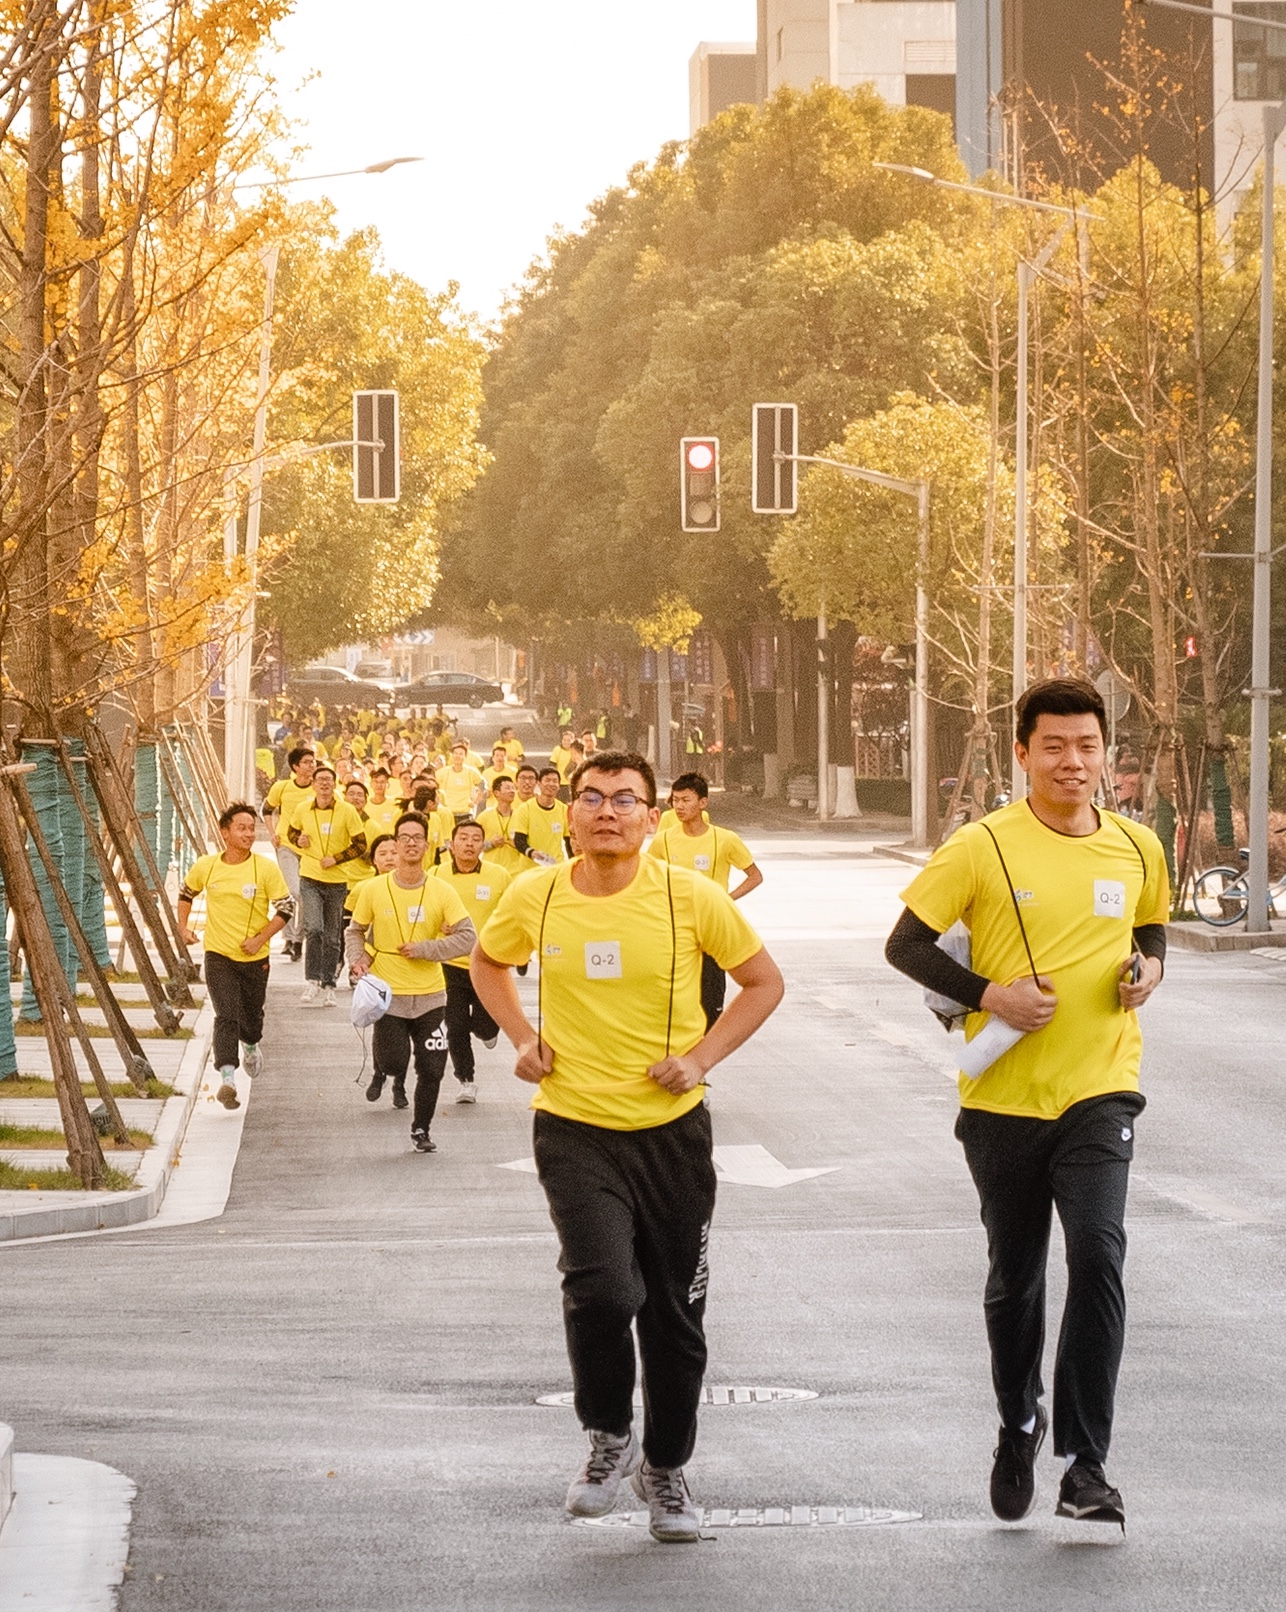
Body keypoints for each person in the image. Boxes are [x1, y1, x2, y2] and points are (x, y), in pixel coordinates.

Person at [472, 752, 784, 1542]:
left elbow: (762, 982)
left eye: (624, 800)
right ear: (567, 813)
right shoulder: (534, 896)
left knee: (676, 1316)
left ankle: (667, 1468)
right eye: (590, 799)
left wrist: (700, 1059)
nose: (606, 812)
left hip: (671, 1135)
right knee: (605, 1290)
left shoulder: (690, 897)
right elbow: (487, 959)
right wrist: (521, 1035)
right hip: (574, 1127)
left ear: (651, 817)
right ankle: (608, 1435)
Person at [884, 678, 1169, 1531]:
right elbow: (904, 945)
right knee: (1017, 1279)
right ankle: (1018, 1419)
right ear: (1023, 752)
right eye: (1054, 746)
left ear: (1104, 753)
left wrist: (1147, 971)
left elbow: (1149, 933)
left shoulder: (1136, 847)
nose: (1072, 762)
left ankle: (1086, 1463)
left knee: (1100, 1255)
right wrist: (990, 996)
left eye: (1086, 746)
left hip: (1101, 1088)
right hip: (1003, 1098)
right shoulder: (982, 846)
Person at [346, 812, 476, 1149]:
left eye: (418, 837)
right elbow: (355, 930)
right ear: (395, 843)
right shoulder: (374, 889)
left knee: (432, 1069)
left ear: (429, 844)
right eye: (404, 837)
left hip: (432, 997)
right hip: (388, 996)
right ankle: (385, 1072)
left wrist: (427, 949)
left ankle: (421, 1129)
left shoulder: (442, 891)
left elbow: (467, 937)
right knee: (393, 1062)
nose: (411, 843)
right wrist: (357, 959)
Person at [178, 804, 294, 1110]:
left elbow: (286, 908)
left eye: (251, 828)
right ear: (225, 832)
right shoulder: (207, 866)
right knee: (226, 1014)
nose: (247, 833)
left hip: (255, 958)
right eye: (240, 828)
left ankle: (252, 1045)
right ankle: (227, 1079)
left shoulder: (265, 868)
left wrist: (260, 939)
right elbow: (186, 893)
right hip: (219, 955)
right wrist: (182, 928)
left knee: (252, 1017)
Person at [647, 772, 763, 1028]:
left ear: (702, 803)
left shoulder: (724, 839)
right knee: (674, 993)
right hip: (675, 928)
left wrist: (726, 900)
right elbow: (647, 877)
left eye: (686, 800)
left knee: (710, 996)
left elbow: (755, 876)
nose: (679, 806)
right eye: (675, 800)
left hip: (712, 928)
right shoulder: (664, 840)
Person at [432, 820, 511, 1102]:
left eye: (475, 839)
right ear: (451, 844)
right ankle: (466, 1080)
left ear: (483, 844)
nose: (469, 843)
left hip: (487, 963)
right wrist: (438, 924)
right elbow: (425, 912)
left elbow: (512, 912)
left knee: (485, 1024)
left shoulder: (499, 875)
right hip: (449, 963)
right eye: (463, 838)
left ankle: (487, 1030)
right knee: (455, 1024)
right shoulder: (436, 874)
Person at [285, 766, 367, 1007]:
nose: (324, 784)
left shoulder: (347, 811)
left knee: (332, 936)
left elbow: (360, 844)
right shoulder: (303, 809)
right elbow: (292, 832)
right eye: (319, 780)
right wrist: (297, 840)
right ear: (312, 784)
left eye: (328, 780)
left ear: (335, 784)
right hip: (310, 877)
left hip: (337, 881)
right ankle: (312, 980)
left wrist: (337, 858)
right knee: (314, 929)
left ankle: (329, 983)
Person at [262, 747, 315, 961]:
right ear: (295, 767)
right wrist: (272, 833)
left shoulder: (318, 789)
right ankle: (290, 937)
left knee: (306, 895)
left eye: (313, 762)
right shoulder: (282, 788)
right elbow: (266, 809)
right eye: (306, 762)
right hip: (286, 846)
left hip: (312, 850)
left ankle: (297, 940)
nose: (311, 765)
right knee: (294, 891)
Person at [513, 767, 571, 864]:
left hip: (555, 867)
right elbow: (519, 840)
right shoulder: (525, 808)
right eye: (547, 780)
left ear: (559, 786)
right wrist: (531, 852)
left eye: (555, 781)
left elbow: (569, 842)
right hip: (531, 869)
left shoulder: (563, 809)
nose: (551, 784)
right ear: (538, 784)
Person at [477, 776, 527, 877]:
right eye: (508, 788)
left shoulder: (522, 816)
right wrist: (491, 843)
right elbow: (474, 845)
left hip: (516, 872)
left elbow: (531, 844)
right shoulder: (484, 816)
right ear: (496, 793)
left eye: (513, 788)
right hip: (490, 871)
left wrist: (519, 844)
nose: (512, 791)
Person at [437, 740, 485, 819]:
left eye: (460, 754)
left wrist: (475, 802)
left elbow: (482, 786)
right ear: (452, 755)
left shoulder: (471, 771)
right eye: (455, 753)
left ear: (465, 756)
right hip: (448, 812)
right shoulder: (443, 772)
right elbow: (432, 785)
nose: (457, 756)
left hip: (466, 813)